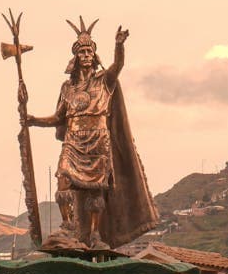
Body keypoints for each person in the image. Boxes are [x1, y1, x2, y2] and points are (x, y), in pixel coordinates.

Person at [25, 18, 157, 250]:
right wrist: (33, 120)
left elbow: (118, 65)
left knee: (95, 191)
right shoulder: (68, 88)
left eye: (90, 50)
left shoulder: (104, 81)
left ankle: (95, 234)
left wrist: (119, 45)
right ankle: (67, 227)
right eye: (82, 51)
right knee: (63, 179)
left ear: (94, 56)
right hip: (73, 140)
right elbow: (58, 118)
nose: (86, 54)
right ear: (75, 57)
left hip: (98, 139)